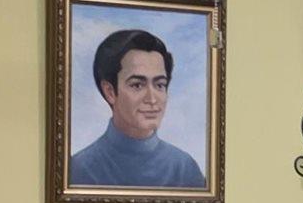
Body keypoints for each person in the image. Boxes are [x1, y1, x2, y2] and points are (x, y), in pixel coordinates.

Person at [68, 27, 206, 189]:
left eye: (160, 85)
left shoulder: (185, 169)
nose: (152, 99)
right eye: (137, 85)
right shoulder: (80, 169)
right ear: (110, 92)